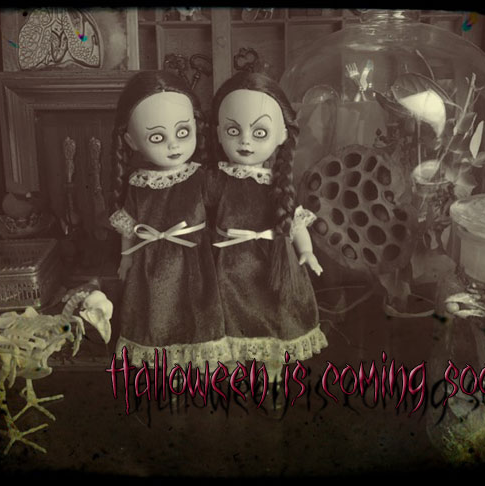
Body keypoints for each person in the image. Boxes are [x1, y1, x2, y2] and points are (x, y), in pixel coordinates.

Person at [208, 71, 328, 383]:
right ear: (218, 132)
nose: (245, 141)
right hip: (229, 268)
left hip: (272, 265)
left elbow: (294, 220)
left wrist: (307, 252)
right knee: (230, 320)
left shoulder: (277, 183)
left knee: (274, 317)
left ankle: (271, 376)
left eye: (259, 132)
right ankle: (233, 374)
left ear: (282, 135)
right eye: (233, 130)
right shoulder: (218, 179)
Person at [109, 70, 229, 371]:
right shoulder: (139, 182)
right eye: (157, 137)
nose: (173, 145)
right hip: (150, 261)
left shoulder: (200, 177)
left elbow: (230, 204)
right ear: (131, 140)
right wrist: (126, 257)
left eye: (183, 132)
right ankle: (165, 367)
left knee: (195, 309)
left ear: (196, 127)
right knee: (156, 311)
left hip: (194, 259)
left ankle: (197, 367)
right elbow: (129, 224)